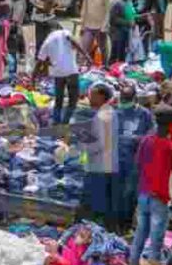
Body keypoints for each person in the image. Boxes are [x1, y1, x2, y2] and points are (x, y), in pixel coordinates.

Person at [129, 105, 172, 265]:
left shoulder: (146, 140)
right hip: (160, 197)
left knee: (140, 233)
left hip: (144, 193)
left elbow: (138, 164)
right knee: (156, 240)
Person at [79, 83, 119, 230]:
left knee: (98, 203)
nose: (89, 97)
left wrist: (83, 146)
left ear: (102, 97)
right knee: (102, 202)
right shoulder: (106, 112)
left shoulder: (104, 115)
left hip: (100, 166)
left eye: (93, 95)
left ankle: (97, 231)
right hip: (104, 164)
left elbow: (99, 144)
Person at [115, 83, 154, 229]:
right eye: (122, 99)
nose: (124, 103)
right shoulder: (116, 112)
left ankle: (126, 224)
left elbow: (151, 135)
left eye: (126, 99)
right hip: (117, 159)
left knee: (130, 193)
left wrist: (139, 139)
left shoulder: (144, 114)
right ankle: (117, 223)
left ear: (134, 99)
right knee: (117, 193)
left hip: (135, 161)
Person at [37, 26, 88, 125]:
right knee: (73, 101)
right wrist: (86, 55)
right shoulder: (64, 32)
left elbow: (39, 62)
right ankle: (65, 123)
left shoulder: (47, 42)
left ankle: (56, 124)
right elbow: (73, 41)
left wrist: (34, 79)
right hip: (71, 71)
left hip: (58, 73)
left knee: (58, 101)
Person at [80, 0, 111, 66]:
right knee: (84, 48)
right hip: (88, 26)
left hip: (100, 27)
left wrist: (104, 27)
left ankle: (105, 65)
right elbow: (84, 10)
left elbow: (107, 11)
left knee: (103, 49)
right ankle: (84, 66)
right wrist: (82, 26)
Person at [108, 0, 138, 65]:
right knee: (115, 54)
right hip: (116, 33)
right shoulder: (117, 3)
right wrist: (128, 23)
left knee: (123, 54)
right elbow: (112, 19)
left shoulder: (128, 2)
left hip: (125, 32)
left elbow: (130, 14)